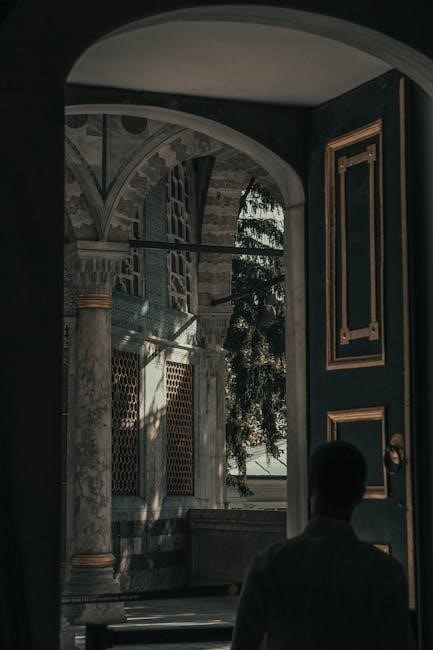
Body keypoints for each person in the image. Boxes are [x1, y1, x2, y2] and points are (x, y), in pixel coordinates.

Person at [230, 440, 416, 650]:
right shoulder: (385, 572)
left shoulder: (269, 564)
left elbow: (243, 644)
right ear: (359, 495)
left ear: (310, 487)